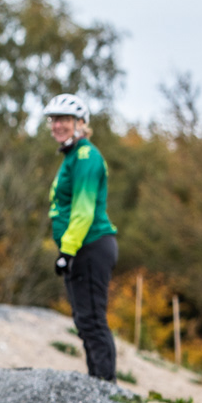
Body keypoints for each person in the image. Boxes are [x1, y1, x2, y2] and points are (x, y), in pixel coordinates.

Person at [45, 93, 118, 382]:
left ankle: (106, 387)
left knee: (93, 321)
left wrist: (67, 251)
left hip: (90, 246)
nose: (57, 125)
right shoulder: (72, 156)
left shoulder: (87, 156)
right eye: (54, 120)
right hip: (80, 247)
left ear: (80, 123)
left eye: (64, 119)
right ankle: (96, 384)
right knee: (84, 321)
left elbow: (83, 210)